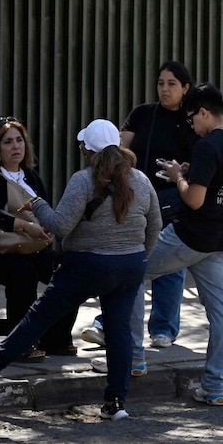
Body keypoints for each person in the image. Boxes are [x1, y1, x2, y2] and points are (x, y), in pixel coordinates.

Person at [0, 119, 162, 422]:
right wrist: (139, 257)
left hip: (87, 263)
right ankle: (116, 403)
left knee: (41, 314)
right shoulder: (141, 180)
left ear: (87, 149)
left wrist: (36, 204)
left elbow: (59, 226)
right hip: (130, 265)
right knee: (119, 330)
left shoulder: (83, 180)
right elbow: (156, 226)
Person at [140, 83, 223, 406]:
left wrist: (178, 176)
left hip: (191, 237)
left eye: (193, 120)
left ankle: (133, 359)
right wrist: (192, 171)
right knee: (220, 313)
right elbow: (220, 184)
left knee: (131, 273)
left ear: (204, 112)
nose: (193, 127)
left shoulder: (208, 145)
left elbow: (193, 199)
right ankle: (214, 386)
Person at [83, 61, 198, 369]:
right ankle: (106, 323)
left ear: (185, 88)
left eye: (172, 83)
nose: (165, 88)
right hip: (137, 195)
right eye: (161, 82)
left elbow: (202, 158)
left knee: (169, 265)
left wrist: (184, 171)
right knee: (128, 258)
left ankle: (163, 328)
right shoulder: (143, 113)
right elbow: (118, 145)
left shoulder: (191, 121)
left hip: (174, 198)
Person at [0, 116, 78, 358]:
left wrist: (47, 226)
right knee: (23, 273)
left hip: (33, 246)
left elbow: (44, 208)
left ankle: (57, 339)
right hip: (1, 250)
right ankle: (21, 343)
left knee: (69, 270)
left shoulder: (30, 176)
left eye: (19, 140)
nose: (16, 147)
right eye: (8, 142)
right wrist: (25, 226)